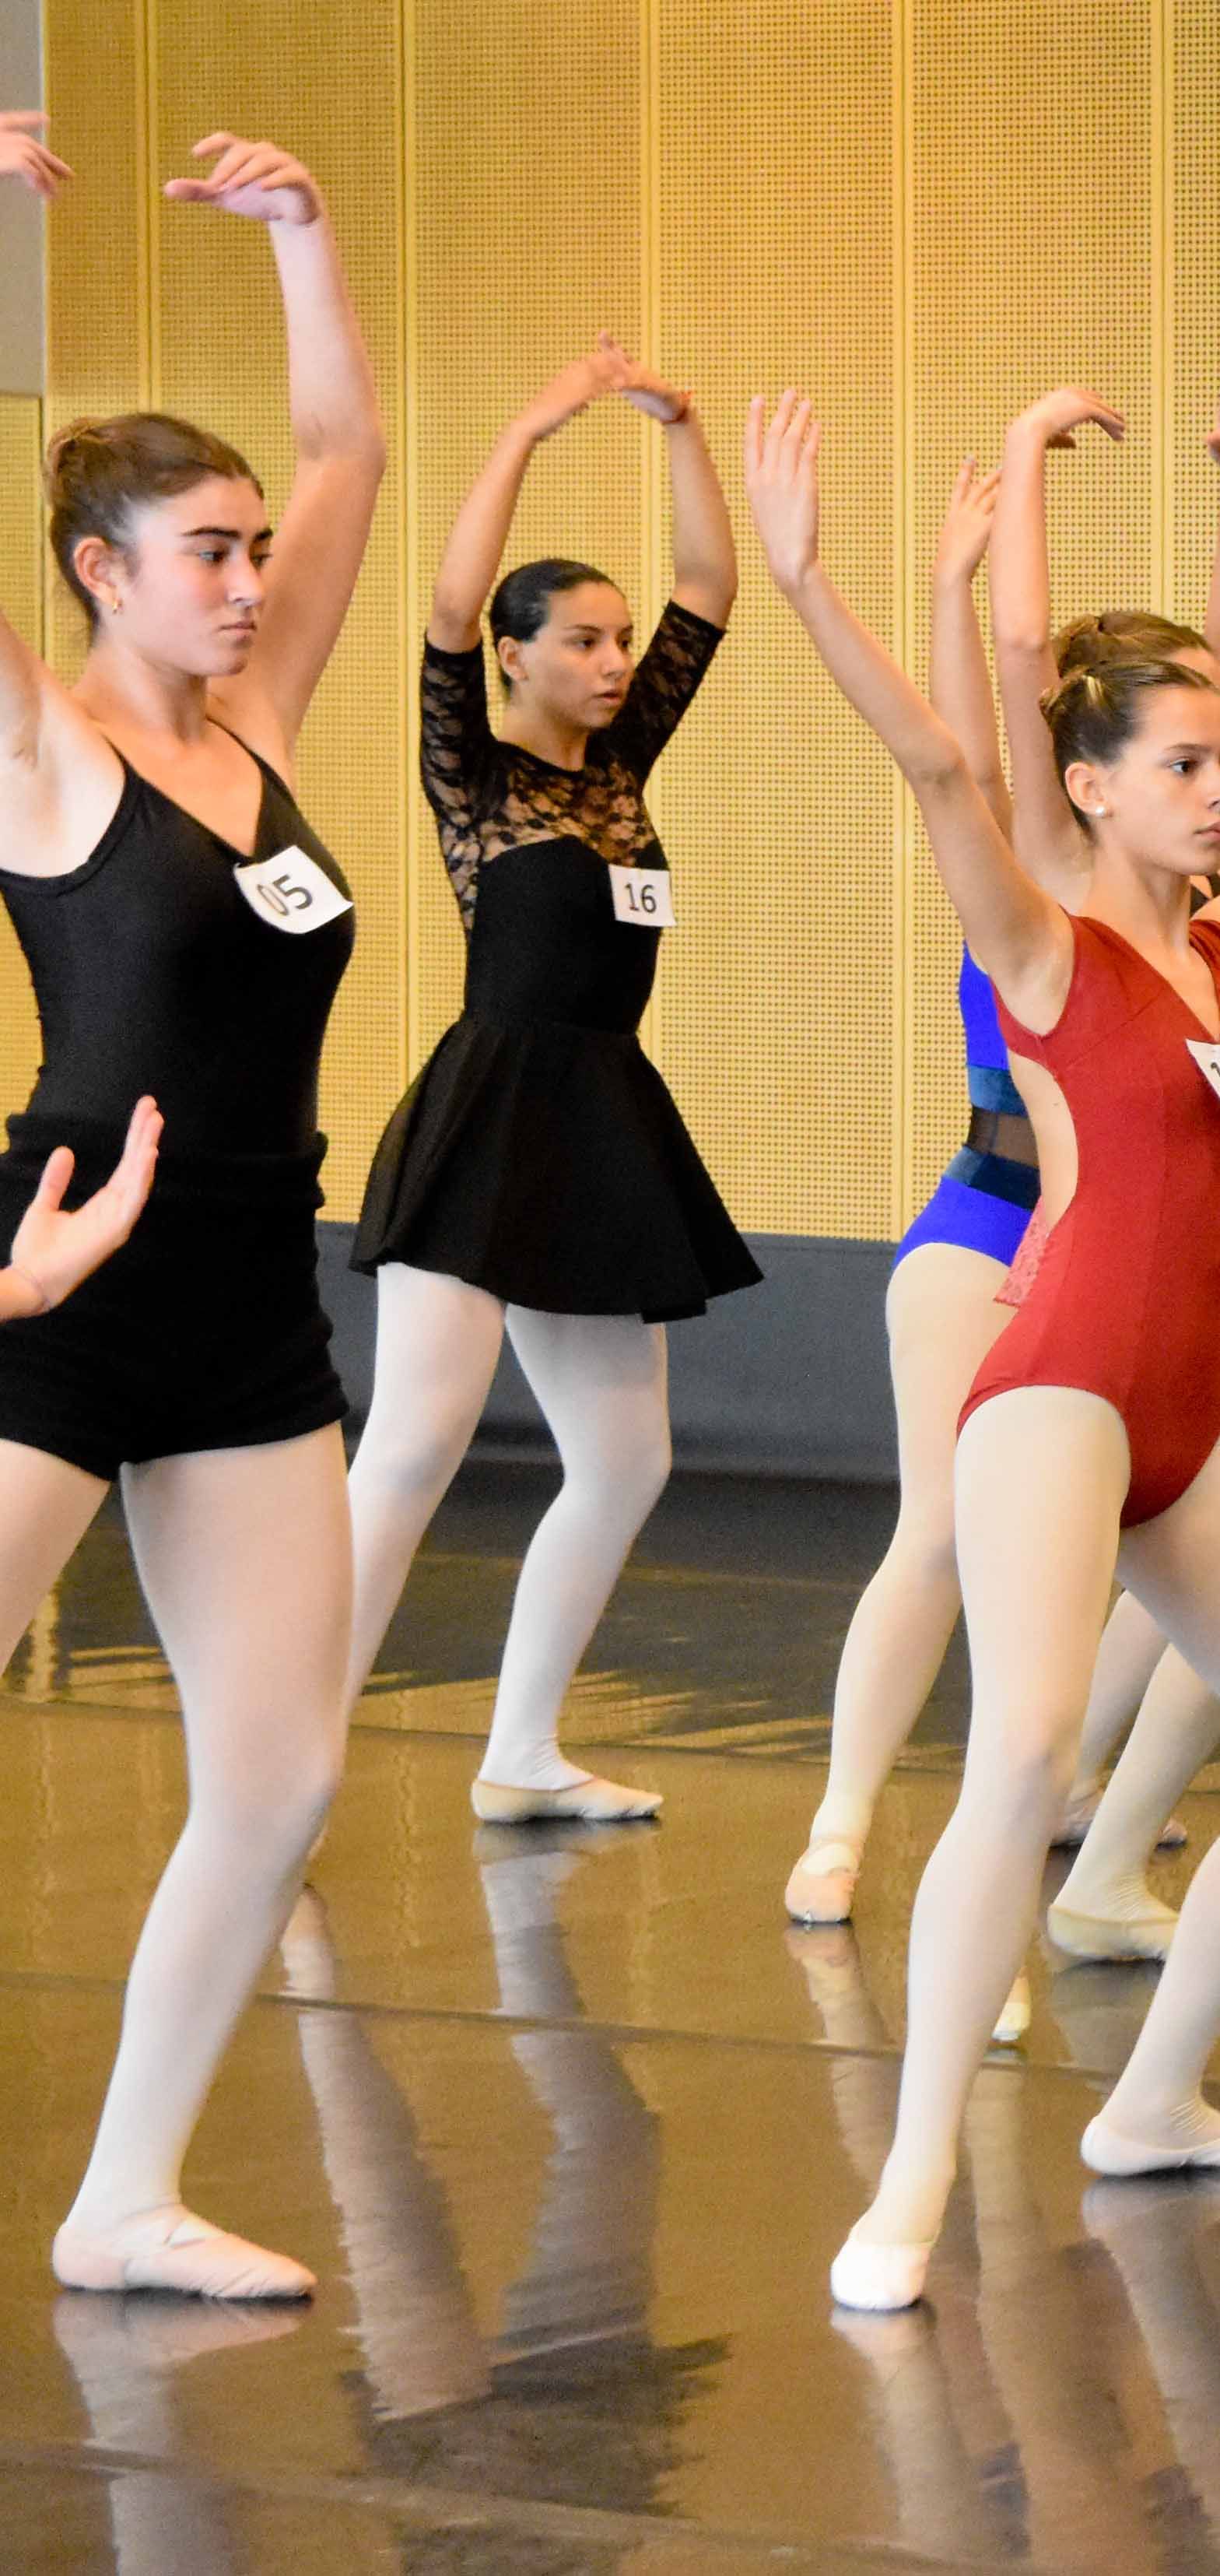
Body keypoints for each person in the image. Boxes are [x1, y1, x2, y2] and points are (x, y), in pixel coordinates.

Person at [746, 387, 1220, 2311]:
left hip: (1183, 1416)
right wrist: (810, 581)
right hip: (1051, 1391)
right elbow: (939, 761)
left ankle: (1153, 2095)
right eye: (1187, 766)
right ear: (1099, 787)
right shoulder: (1049, 950)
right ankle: (911, 2179)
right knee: (1025, 1747)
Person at [2, 120, 380, 2301]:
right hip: (64, 1273)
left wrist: (304, 234)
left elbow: (349, 449)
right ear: (97, 568)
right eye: (204, 551)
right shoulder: (44, 752)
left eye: (252, 550)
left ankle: (123, 2193)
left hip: (251, 1296)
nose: (247, 579)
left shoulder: (266, 720)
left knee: (280, 1768)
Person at [785, 380, 1220, 1936]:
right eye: (1177, 756)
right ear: (1084, 769)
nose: (1214, 781)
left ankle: (1080, 1806)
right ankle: (848, 1818)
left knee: (1214, 1560)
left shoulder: (1187, 886)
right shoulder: (1039, 869)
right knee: (946, 1533)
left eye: (1216, 758)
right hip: (1002, 1218)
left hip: (1169, 1235)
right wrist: (1016, 459)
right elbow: (994, 681)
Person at [342, 332, 752, 1826]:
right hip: (489, 1113)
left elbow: (710, 587)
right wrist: (529, 423)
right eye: (582, 639)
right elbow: (448, 607)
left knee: (626, 1458)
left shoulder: (621, 767)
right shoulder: (475, 770)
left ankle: (519, 1749)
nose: (612, 658)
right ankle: (282, 1752)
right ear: (517, 656)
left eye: (617, 638)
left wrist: (680, 426)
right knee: (413, 1447)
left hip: (605, 1122)